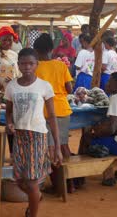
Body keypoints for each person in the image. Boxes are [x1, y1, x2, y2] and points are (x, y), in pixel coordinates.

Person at [4, 48, 63, 217]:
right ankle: (36, 196)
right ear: (18, 65)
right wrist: (9, 123)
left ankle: (32, 213)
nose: (27, 67)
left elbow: (52, 117)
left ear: (37, 64)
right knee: (20, 180)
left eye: (31, 63)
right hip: (19, 136)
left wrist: (57, 147)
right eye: (23, 63)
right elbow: (8, 111)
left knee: (30, 181)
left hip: (37, 136)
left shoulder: (44, 86)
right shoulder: (12, 86)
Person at [33, 33, 74, 192]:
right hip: (63, 109)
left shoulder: (34, 67)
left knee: (49, 149)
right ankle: (69, 183)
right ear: (51, 49)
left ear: (36, 50)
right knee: (63, 146)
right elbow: (69, 89)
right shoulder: (61, 65)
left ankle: (56, 185)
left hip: (44, 111)